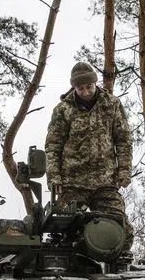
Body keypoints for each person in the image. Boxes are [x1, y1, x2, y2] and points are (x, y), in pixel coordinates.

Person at [45, 61, 133, 241]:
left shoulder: (112, 104)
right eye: (80, 88)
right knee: (63, 230)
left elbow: (123, 139)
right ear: (74, 88)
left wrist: (124, 170)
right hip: (73, 183)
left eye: (89, 87)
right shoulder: (63, 110)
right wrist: (54, 177)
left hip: (105, 181)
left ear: (95, 83)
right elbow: (53, 146)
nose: (85, 92)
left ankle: (116, 267)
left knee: (120, 230)